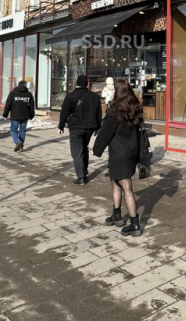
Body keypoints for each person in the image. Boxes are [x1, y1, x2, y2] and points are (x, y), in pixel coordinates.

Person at [94, 80, 145, 236]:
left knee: (126, 186)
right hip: (131, 151)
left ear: (116, 91)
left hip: (119, 153)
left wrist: (96, 149)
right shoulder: (135, 108)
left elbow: (105, 133)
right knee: (115, 181)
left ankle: (135, 223)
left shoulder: (115, 111)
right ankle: (116, 214)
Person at [58, 75, 101, 186]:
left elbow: (64, 112)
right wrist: (97, 127)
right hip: (90, 128)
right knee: (84, 148)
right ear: (87, 84)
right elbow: (98, 113)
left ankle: (81, 177)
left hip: (75, 128)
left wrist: (61, 126)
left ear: (77, 83)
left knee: (77, 152)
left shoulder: (70, 96)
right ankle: (84, 171)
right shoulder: (94, 97)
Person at [3, 80, 35, 152]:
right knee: (22, 131)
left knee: (13, 130)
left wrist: (5, 114)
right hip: (25, 115)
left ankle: (17, 141)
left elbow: (8, 104)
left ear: (18, 85)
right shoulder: (29, 94)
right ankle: (21, 146)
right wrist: (31, 115)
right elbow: (32, 106)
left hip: (15, 115)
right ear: (25, 85)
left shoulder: (13, 93)